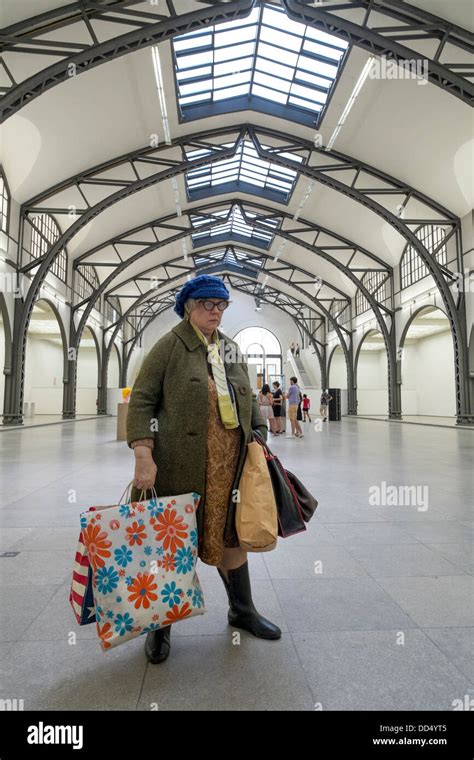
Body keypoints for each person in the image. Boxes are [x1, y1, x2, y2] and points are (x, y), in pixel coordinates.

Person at [126, 274, 281, 664]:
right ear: (188, 307)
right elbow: (142, 401)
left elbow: (246, 397)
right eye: (206, 305)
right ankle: (160, 628)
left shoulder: (229, 348)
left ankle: (242, 610)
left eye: (220, 305)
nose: (214, 311)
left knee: (231, 536)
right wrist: (143, 455)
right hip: (180, 465)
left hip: (229, 466)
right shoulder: (170, 346)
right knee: (171, 544)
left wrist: (259, 434)